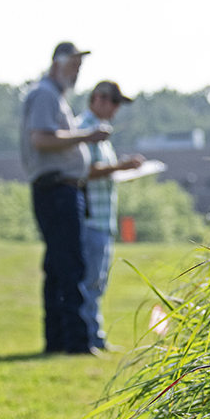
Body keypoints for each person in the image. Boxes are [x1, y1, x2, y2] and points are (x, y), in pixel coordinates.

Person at [21, 41, 110, 355]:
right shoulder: (45, 94)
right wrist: (88, 136)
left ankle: (58, 339)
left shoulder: (53, 96)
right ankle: (75, 342)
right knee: (70, 265)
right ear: (58, 64)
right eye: (74, 67)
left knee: (60, 266)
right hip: (57, 189)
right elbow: (41, 138)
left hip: (60, 188)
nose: (77, 75)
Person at [77, 80, 143, 351]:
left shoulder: (101, 133)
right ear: (99, 99)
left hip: (103, 219)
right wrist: (122, 165)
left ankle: (96, 337)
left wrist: (122, 167)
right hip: (91, 219)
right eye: (114, 102)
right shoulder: (84, 129)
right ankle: (88, 339)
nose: (117, 109)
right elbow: (85, 170)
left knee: (98, 282)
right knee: (90, 282)